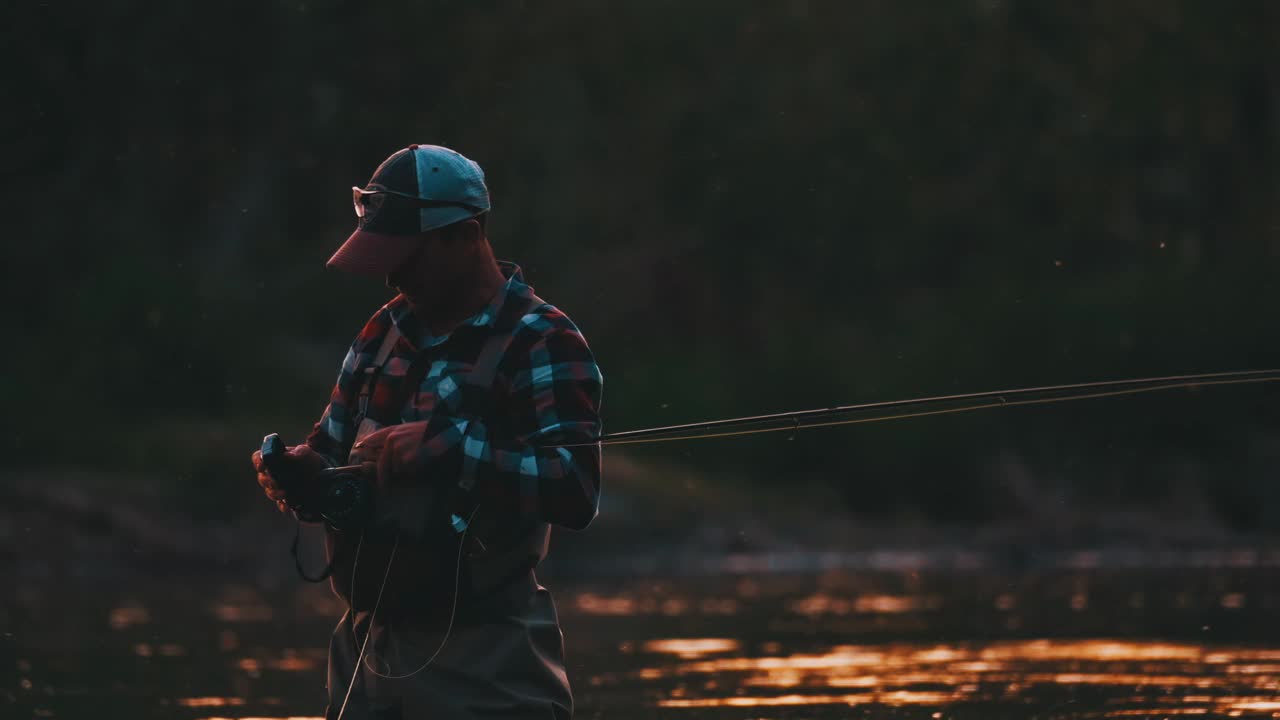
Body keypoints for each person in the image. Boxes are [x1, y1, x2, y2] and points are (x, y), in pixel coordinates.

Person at [250, 144, 604, 719]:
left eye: (407, 257)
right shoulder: (380, 333)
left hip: (491, 664)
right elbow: (327, 450)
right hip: (364, 662)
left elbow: (577, 490)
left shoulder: (543, 340)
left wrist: (449, 449)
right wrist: (300, 474)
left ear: (466, 235)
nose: (391, 274)